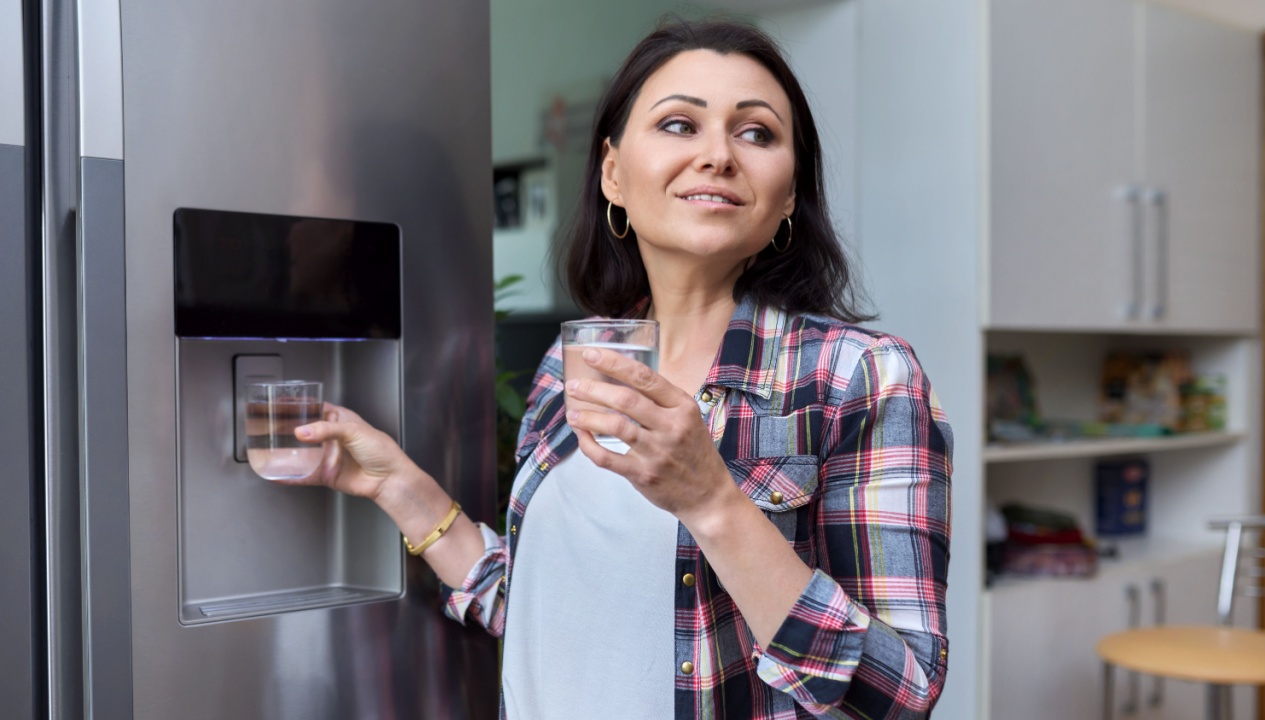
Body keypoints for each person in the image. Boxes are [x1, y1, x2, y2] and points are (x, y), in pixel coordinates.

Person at [291, 18, 953, 719]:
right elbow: (546, 611)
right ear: (613, 173)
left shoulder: (861, 378)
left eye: (756, 133)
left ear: (788, 196)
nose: (718, 155)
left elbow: (903, 693)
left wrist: (712, 502)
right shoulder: (577, 361)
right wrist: (397, 484)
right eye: (679, 125)